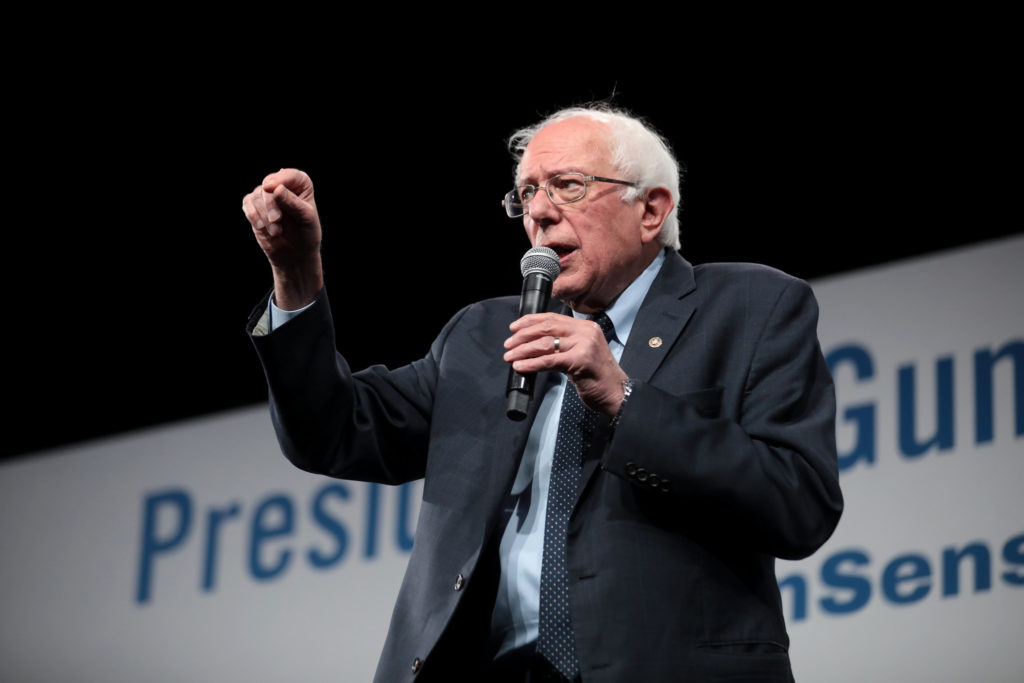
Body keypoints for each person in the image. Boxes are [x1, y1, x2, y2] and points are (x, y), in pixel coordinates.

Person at [242, 105, 843, 682]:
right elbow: (333, 433)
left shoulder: (750, 306)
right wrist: (297, 275)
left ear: (652, 210)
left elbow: (800, 503)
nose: (541, 213)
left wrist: (625, 398)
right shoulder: (482, 333)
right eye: (526, 193)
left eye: (568, 185)